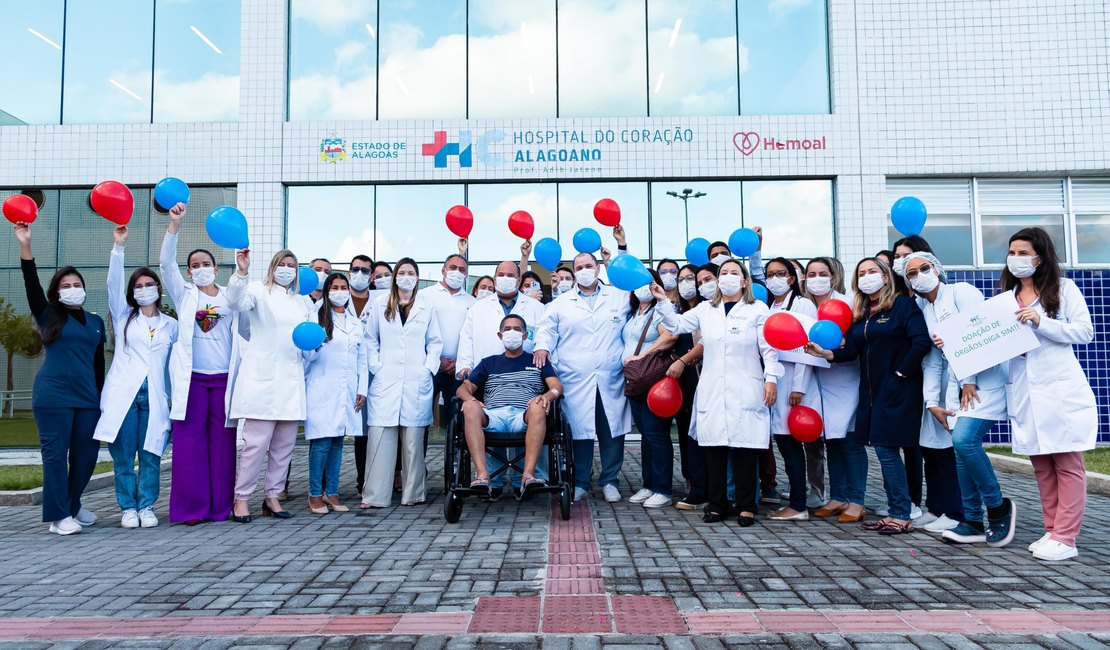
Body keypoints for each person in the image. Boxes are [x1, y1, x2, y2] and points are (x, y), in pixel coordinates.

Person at [652, 260, 782, 526]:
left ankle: (746, 506)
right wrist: (662, 300)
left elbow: (768, 347)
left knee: (745, 447)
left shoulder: (757, 309)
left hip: (747, 384)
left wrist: (771, 379)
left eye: (734, 273)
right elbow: (676, 326)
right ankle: (717, 503)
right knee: (714, 447)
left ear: (745, 281)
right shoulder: (705, 309)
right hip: (713, 386)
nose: (728, 277)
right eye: (723, 273)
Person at [807, 257, 931, 535]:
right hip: (872, 391)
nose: (866, 277)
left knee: (888, 450)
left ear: (886, 277)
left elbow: (921, 341)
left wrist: (901, 374)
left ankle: (901, 513)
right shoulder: (863, 311)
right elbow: (851, 350)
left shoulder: (901, 305)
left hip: (899, 389)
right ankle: (895, 511)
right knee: (883, 449)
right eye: (861, 273)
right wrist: (826, 354)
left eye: (872, 271)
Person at [904, 252, 1014, 545]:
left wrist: (968, 380)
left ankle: (998, 507)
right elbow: (933, 360)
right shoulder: (922, 308)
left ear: (937, 269)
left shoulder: (962, 293)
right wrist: (932, 403)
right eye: (911, 273)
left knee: (964, 442)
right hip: (958, 391)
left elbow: (979, 336)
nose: (919, 275)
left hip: (983, 384)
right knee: (961, 451)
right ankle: (973, 520)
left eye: (924, 268)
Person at [1000, 227, 1096, 561]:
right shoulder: (1005, 296)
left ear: (1040, 255)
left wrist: (1042, 323)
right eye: (1012, 252)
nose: (1016, 259)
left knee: (1068, 464)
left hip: (1059, 389)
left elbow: (1085, 332)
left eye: (1023, 252)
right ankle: (1052, 528)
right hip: (1026, 391)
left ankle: (1067, 538)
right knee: (1041, 464)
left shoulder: (1064, 289)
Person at [15, 222, 105, 535]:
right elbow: (31, 286)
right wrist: (26, 246)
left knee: (87, 454)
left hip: (87, 398)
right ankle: (58, 517)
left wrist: (101, 397)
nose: (71, 288)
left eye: (75, 283)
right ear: (57, 292)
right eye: (64, 285)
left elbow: (97, 365)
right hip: (53, 396)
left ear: (84, 287)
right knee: (55, 456)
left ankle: (73, 504)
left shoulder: (95, 322)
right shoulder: (50, 315)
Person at [160, 203, 243, 525]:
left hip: (222, 379)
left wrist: (243, 267)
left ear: (215, 268)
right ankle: (191, 510)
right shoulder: (183, 295)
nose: (200, 268)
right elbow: (166, 263)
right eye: (194, 265)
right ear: (189, 271)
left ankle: (220, 507)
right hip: (192, 380)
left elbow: (243, 304)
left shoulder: (228, 296)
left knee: (222, 447)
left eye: (205, 263)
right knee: (189, 446)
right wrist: (173, 226)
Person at [535, 234, 631, 503]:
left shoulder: (618, 297)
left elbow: (629, 278)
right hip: (575, 377)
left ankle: (610, 480)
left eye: (589, 266)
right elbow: (546, 329)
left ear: (598, 268)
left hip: (610, 376)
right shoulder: (561, 303)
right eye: (579, 268)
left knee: (611, 430)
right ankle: (581, 482)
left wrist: (622, 250)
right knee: (580, 432)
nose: (584, 271)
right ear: (574, 273)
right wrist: (542, 347)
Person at [93, 226, 178, 528]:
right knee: (124, 456)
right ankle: (127, 507)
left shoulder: (171, 325)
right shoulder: (123, 316)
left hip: (156, 396)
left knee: (152, 454)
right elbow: (113, 284)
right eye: (138, 285)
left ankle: (147, 506)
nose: (144, 289)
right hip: (125, 396)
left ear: (158, 288)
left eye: (149, 284)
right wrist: (118, 247)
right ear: (133, 292)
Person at [226, 248, 313, 522]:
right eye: (282, 264)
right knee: (255, 445)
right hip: (262, 381)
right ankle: (241, 498)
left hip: (291, 382)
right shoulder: (257, 291)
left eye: (291, 265)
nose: (286, 269)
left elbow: (307, 339)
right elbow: (235, 302)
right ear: (273, 267)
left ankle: (272, 496)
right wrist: (241, 272)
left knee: (284, 446)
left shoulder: (301, 302)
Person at [457, 260, 547, 495]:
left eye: (511, 275)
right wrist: (465, 365)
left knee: (535, 411)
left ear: (519, 280)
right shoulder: (479, 307)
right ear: (495, 278)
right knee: (479, 414)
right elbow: (466, 337)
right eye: (501, 274)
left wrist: (543, 348)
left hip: (527, 380)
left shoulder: (536, 307)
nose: (505, 278)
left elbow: (547, 334)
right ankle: (490, 480)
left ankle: (526, 479)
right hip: (487, 375)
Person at [363, 258, 443, 508]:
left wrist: (427, 369)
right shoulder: (379, 304)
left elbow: (435, 342)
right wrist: (376, 366)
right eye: (402, 272)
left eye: (411, 273)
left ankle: (413, 494)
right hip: (385, 379)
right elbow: (370, 339)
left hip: (416, 381)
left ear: (417, 278)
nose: (406, 276)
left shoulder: (426, 306)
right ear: (396, 276)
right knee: (380, 439)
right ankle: (375, 496)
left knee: (413, 442)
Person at [457, 315, 562, 495]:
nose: (511, 333)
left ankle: (527, 476)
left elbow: (557, 387)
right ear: (500, 335)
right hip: (493, 416)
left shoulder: (537, 361)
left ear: (525, 335)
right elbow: (463, 389)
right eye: (507, 329)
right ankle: (483, 476)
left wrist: (547, 396)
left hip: (523, 415)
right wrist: (470, 399)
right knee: (469, 407)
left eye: (516, 329)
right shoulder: (488, 362)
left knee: (538, 406)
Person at [804, 257, 866, 523]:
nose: (817, 278)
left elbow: (854, 342)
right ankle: (838, 496)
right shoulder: (803, 307)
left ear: (833, 276)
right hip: (820, 381)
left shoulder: (847, 303)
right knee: (832, 440)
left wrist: (836, 346)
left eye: (822, 273)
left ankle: (857, 500)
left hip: (846, 378)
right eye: (811, 273)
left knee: (850, 441)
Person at [303, 273, 367, 514]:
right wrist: (319, 343)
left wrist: (362, 389)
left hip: (348, 389)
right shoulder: (316, 317)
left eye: (343, 287)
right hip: (322, 388)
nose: (339, 291)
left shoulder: (354, 322)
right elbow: (307, 356)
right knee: (321, 443)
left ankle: (332, 492)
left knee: (339, 442)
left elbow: (362, 357)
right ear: (327, 291)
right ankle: (314, 494)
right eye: (335, 287)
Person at [763, 257, 821, 520]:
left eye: (781, 273)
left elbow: (807, 348)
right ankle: (796, 500)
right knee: (784, 444)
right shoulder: (768, 305)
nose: (775, 278)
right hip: (776, 381)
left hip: (794, 386)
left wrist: (799, 387)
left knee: (791, 444)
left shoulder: (802, 304)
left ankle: (798, 505)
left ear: (791, 278)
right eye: (770, 274)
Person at [622, 270, 678, 508]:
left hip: (653, 379)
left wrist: (642, 355)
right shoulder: (634, 312)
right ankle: (648, 484)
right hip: (636, 381)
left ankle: (663, 488)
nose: (641, 288)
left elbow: (670, 336)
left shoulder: (661, 311)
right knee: (646, 434)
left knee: (657, 434)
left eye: (646, 282)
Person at [669, 263, 708, 510]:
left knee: (702, 435)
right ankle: (693, 482)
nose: (684, 283)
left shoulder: (707, 310)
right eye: (680, 279)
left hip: (701, 376)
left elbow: (705, 343)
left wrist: (683, 361)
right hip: (683, 382)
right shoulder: (684, 312)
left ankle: (705, 487)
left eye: (689, 278)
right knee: (686, 434)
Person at [423, 252, 476, 432]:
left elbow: (472, 336)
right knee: (421, 420)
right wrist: (435, 361)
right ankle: (417, 461)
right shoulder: (425, 296)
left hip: (457, 371)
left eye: (462, 269)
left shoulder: (472, 302)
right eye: (453, 268)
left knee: (455, 424)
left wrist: (460, 363)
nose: (457, 272)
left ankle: (451, 461)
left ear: (466, 274)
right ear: (443, 270)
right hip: (429, 367)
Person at [347, 253, 375, 497]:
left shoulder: (380, 301)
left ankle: (363, 482)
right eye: (355, 269)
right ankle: (322, 486)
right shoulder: (334, 300)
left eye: (365, 271)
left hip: (371, 372)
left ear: (372, 276)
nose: (360, 274)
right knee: (330, 430)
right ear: (348, 273)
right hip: (341, 371)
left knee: (365, 431)